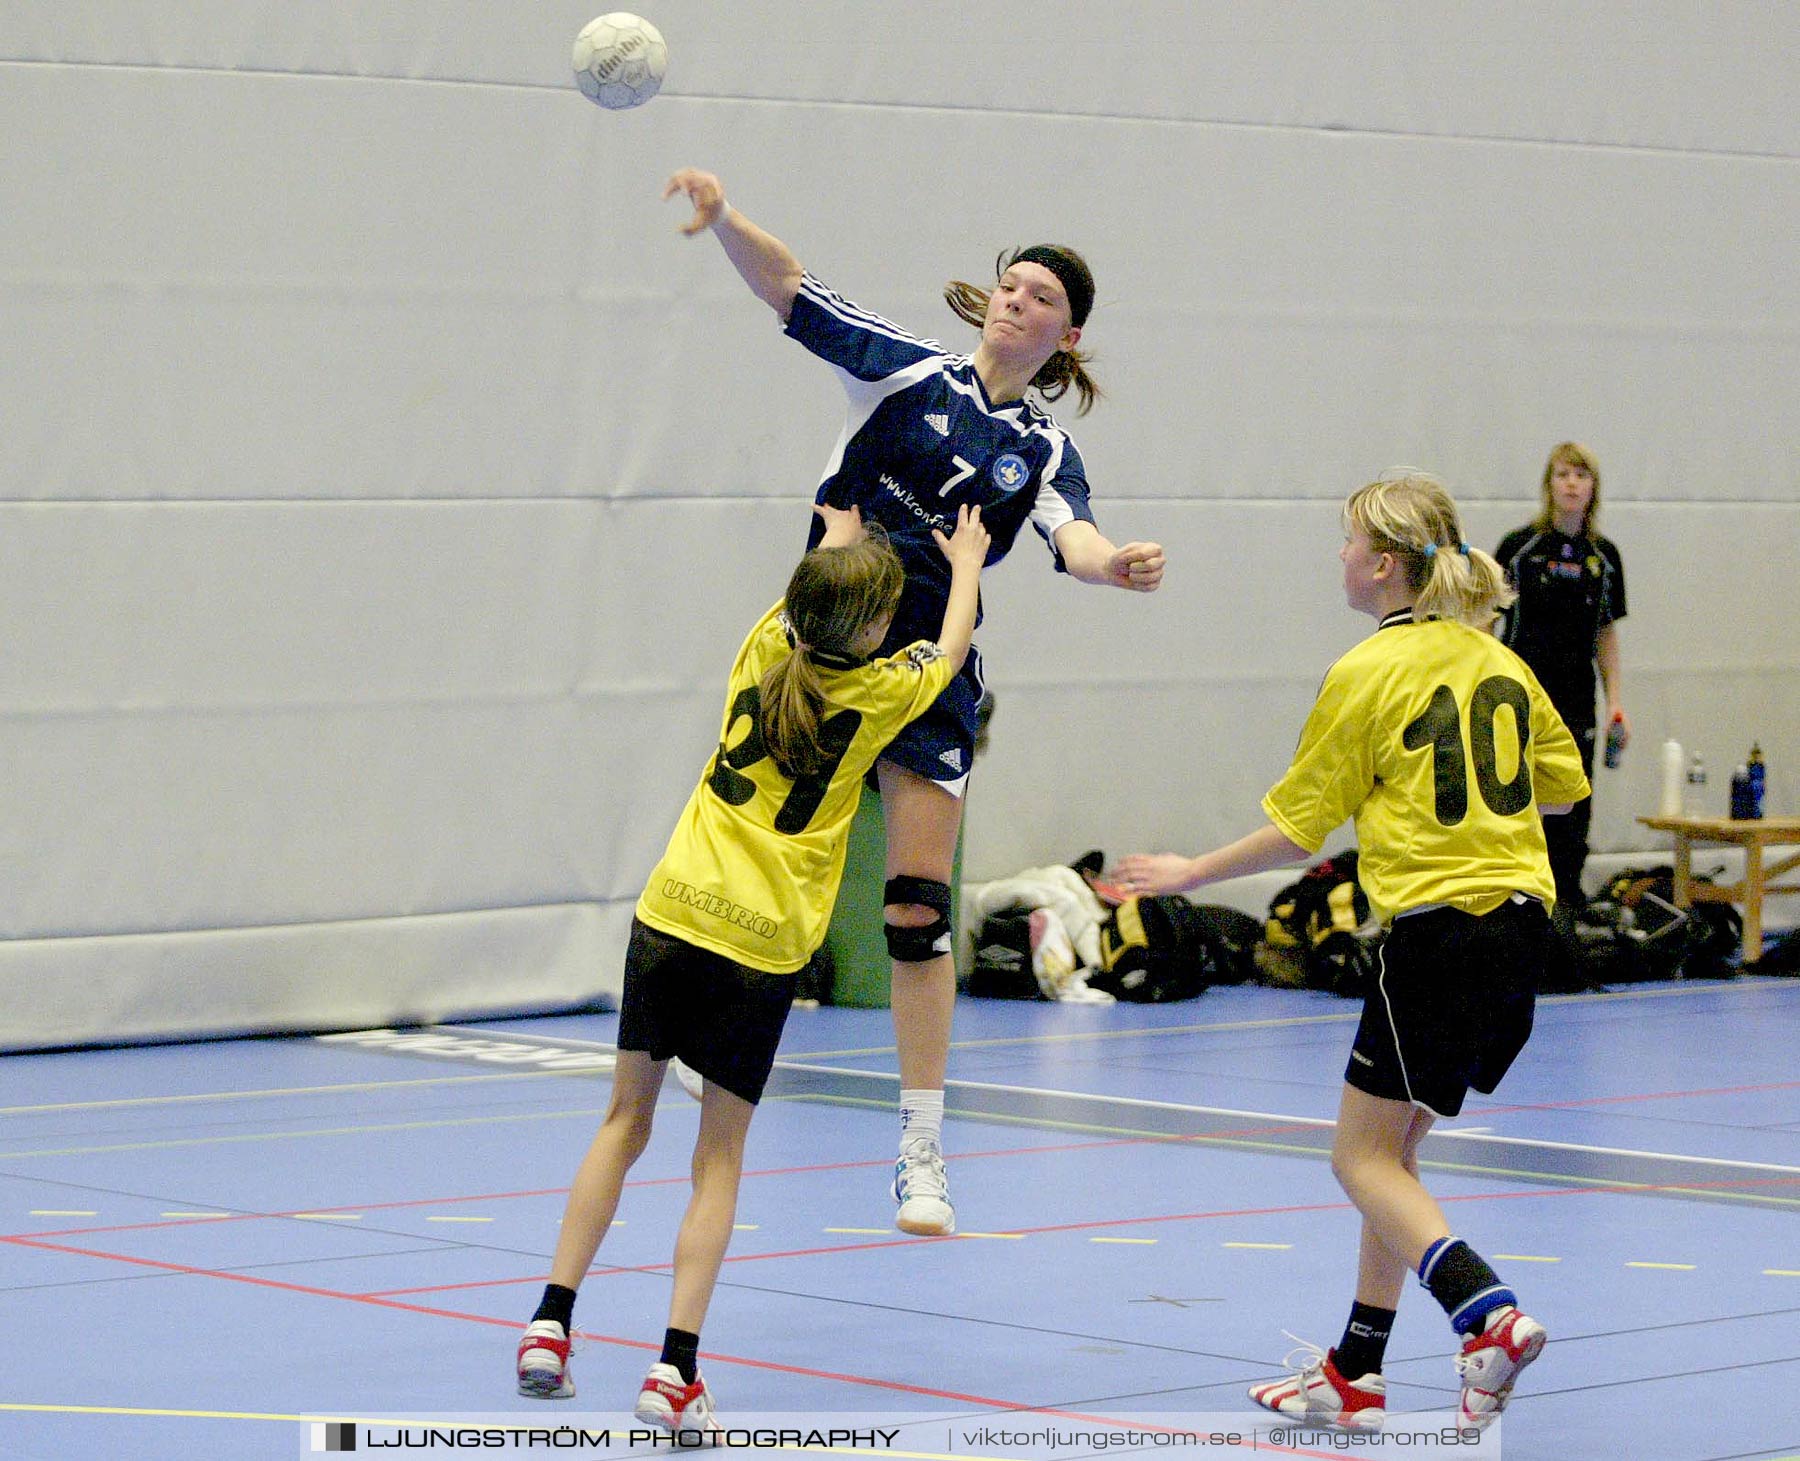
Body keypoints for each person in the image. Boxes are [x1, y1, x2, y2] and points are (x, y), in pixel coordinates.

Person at [661, 167, 1167, 1236]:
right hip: (824, 657)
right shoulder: (905, 374)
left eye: (1041, 297)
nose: (1017, 300)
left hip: (932, 679)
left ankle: (922, 1154)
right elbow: (793, 292)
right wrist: (724, 224)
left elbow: (1069, 534)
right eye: (1011, 284)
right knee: (754, 862)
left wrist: (1110, 561)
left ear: (1064, 336)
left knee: (915, 913)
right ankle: (702, 1043)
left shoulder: (1043, 447)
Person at [1116, 472, 1588, 1433]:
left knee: (1358, 1159)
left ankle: (1487, 1316)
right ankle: (1356, 1371)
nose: (1337, 557)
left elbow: (1297, 827)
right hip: (1523, 926)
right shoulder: (1499, 660)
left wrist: (1187, 873)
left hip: (1440, 931)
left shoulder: (1366, 671)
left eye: (1345, 543)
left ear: (1381, 565)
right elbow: (1564, 791)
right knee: (1396, 1156)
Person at [515, 502, 992, 1430]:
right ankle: (673, 1368)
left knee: (622, 1121)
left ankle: (549, 1322)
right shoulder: (884, 691)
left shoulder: (764, 643)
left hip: (671, 912)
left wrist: (837, 538)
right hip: (759, 946)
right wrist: (966, 561)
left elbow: (809, 593)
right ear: (873, 627)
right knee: (718, 1160)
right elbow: (954, 633)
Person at [1494, 443, 1629, 918]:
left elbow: (1606, 635)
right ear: (1548, 484)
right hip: (1518, 701)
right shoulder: (1519, 549)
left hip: (1577, 702)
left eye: (1581, 474)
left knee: (1574, 800)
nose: (1571, 482)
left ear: (1594, 487)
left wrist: (1616, 702)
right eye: (1562, 473)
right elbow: (1486, 624)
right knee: (1517, 798)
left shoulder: (1604, 557)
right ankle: (1514, 895)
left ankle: (1567, 900)